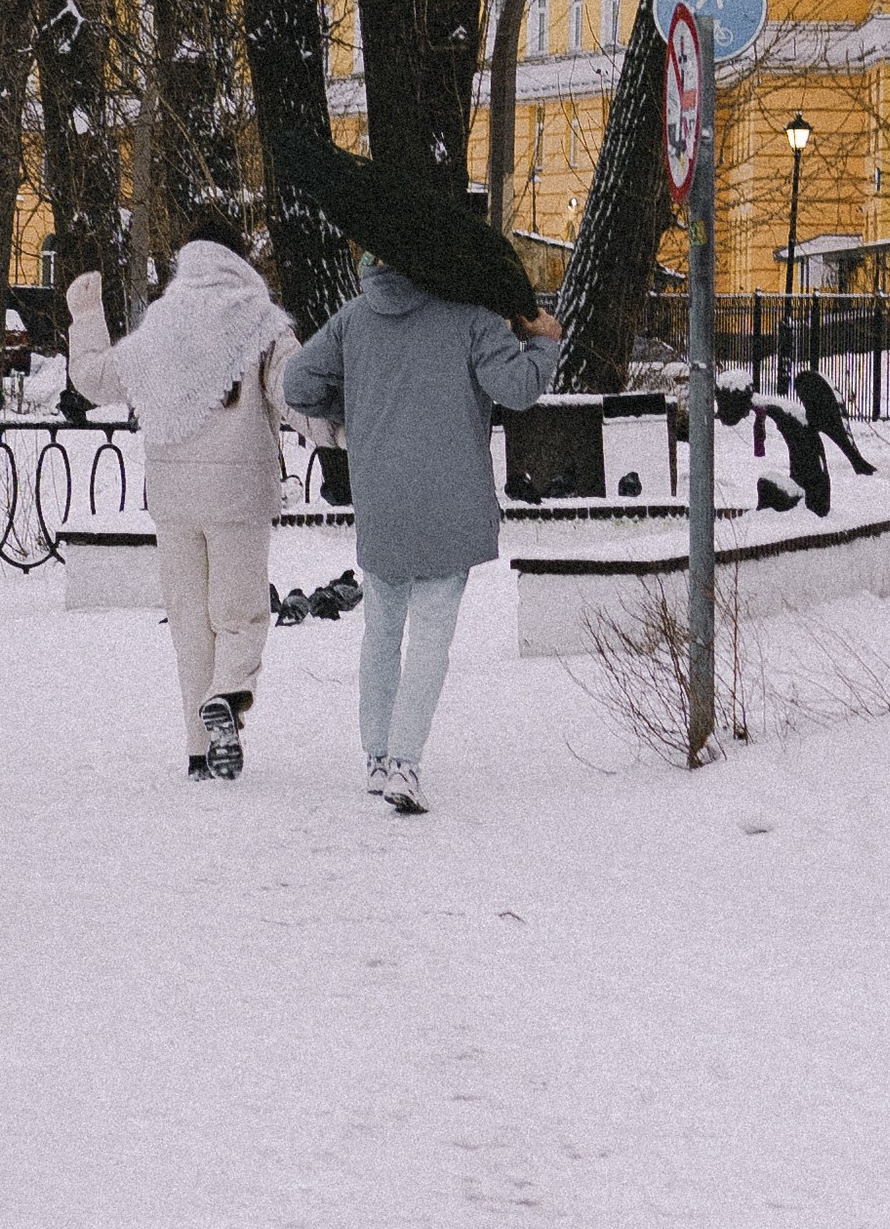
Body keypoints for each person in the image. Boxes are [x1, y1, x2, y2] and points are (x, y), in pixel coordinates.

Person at [282, 264, 559, 812]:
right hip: (450, 497)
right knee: (431, 633)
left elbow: (297, 385)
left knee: (382, 628)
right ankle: (405, 765)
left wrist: (357, 408)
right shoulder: (471, 318)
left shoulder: (353, 320)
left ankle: (377, 757)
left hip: (382, 494)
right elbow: (519, 389)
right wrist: (544, 341)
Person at [66, 217, 301, 782]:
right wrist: (348, 429)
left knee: (190, 623)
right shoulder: (262, 325)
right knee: (240, 613)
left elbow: (96, 378)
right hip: (238, 496)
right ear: (239, 258)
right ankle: (227, 693)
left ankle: (199, 750)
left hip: (172, 498)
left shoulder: (163, 322)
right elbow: (296, 396)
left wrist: (87, 316)